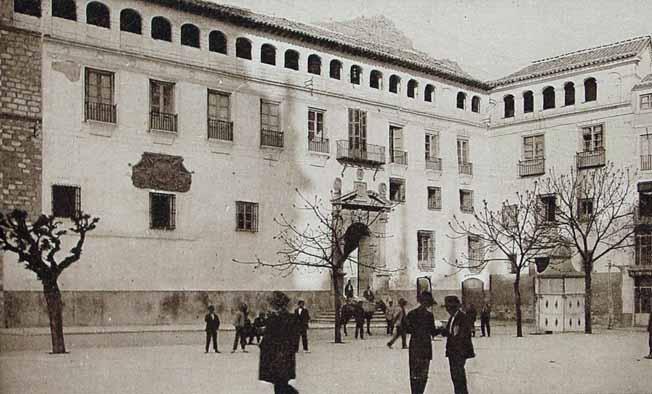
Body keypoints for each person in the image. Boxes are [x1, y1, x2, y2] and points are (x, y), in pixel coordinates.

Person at [259, 291, 300, 394]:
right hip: (286, 357)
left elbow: (267, 340)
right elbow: (295, 338)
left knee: (279, 385)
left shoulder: (273, 319)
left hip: (274, 358)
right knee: (282, 383)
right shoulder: (291, 318)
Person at [404, 291, 438, 394]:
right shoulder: (429, 316)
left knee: (414, 373)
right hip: (425, 346)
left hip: (414, 345)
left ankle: (415, 392)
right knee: (423, 373)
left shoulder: (411, 314)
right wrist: (442, 330)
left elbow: (406, 329)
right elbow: (433, 332)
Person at [441, 295, 475, 394]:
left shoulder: (462, 317)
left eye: (448, 307)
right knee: (455, 376)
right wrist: (441, 330)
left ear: (454, 307)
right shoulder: (452, 317)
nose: (447, 309)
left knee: (458, 376)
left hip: (459, 352)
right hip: (453, 352)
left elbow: (463, 335)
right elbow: (449, 332)